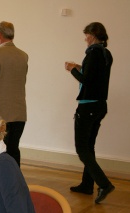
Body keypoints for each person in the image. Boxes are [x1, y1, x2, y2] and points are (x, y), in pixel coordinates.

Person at [64, 22, 114, 204]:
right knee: (89, 147)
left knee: (82, 149)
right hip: (100, 106)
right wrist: (79, 66)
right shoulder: (105, 53)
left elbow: (86, 80)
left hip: (88, 107)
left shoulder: (93, 53)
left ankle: (104, 183)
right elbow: (94, 76)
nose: (85, 38)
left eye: (86, 35)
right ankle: (87, 185)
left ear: (92, 35)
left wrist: (72, 69)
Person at [0, 21, 28, 167]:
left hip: (1, 111)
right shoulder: (23, 55)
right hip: (19, 111)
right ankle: (15, 180)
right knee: (13, 148)